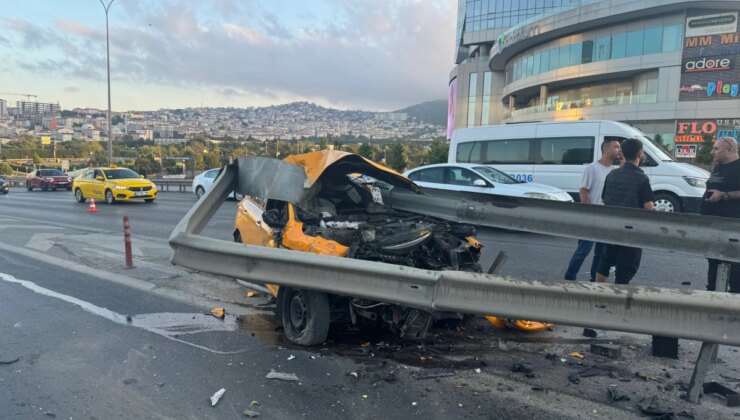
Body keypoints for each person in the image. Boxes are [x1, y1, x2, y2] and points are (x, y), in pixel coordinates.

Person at [595, 138, 654, 285]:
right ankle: (618, 301)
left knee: (604, 264)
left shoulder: (612, 175)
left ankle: (598, 295)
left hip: (611, 227)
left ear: (623, 153)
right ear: (640, 153)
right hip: (631, 231)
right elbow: (648, 206)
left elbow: (604, 199)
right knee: (625, 270)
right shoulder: (642, 178)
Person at [564, 138, 622, 281]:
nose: (619, 150)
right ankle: (569, 278)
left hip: (605, 219)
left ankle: (593, 280)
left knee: (600, 253)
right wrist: (589, 213)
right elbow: (583, 191)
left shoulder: (614, 171)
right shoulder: (593, 168)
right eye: (616, 147)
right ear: (606, 149)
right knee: (583, 250)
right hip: (592, 217)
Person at [700, 136, 740, 293]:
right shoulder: (718, 167)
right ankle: (712, 298)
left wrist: (724, 195)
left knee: (735, 270)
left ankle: (734, 306)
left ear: (729, 150)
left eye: (716, 148)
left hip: (732, 226)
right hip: (713, 225)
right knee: (713, 264)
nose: (712, 151)